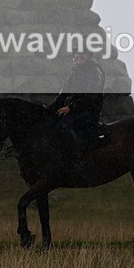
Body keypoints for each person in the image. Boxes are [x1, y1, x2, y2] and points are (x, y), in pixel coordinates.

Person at [46, 48, 105, 177]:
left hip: (89, 112)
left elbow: (91, 96)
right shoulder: (73, 72)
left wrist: (71, 107)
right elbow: (63, 95)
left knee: (64, 126)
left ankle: (76, 162)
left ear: (88, 55)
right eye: (77, 53)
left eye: (82, 53)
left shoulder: (95, 71)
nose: (79, 56)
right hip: (74, 110)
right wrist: (48, 111)